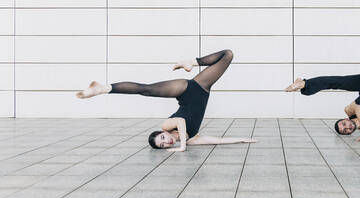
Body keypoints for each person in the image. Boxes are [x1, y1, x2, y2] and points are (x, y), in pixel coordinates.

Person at [76, 50, 256, 151]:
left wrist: (182, 146)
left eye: (162, 138)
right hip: (201, 89)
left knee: (146, 89)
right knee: (228, 55)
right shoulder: (192, 139)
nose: (166, 141)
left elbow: (181, 121)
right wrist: (241, 140)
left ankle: (103, 88)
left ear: (161, 132)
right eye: (163, 144)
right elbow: (216, 140)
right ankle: (191, 61)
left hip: (185, 90)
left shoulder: (166, 126)